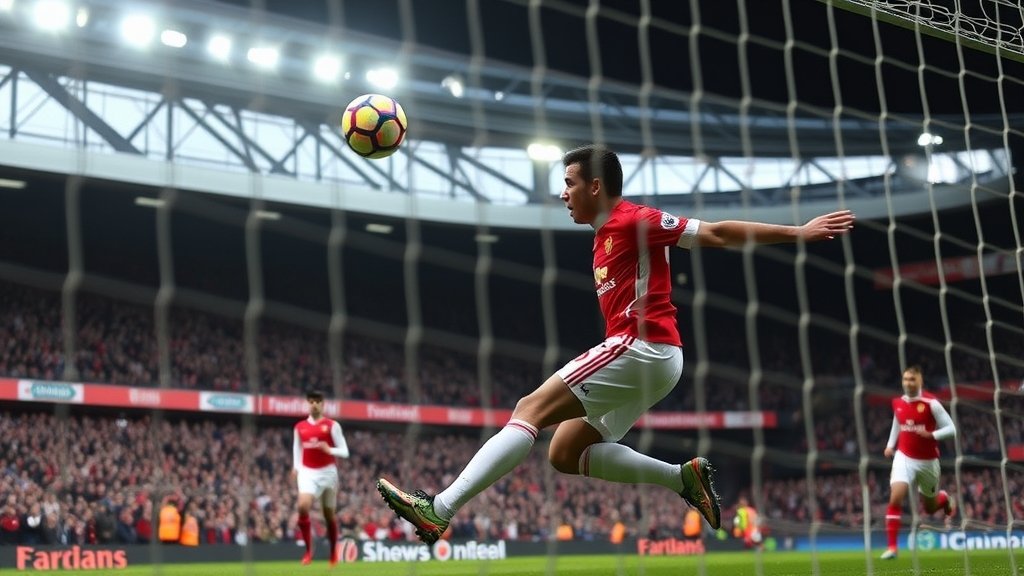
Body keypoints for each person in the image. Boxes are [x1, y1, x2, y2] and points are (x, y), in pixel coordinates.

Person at [376, 144, 856, 545]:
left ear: (596, 186)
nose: (563, 193)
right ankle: (681, 478)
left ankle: (439, 508)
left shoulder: (633, 220)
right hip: (654, 358)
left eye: (569, 182)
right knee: (564, 452)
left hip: (642, 344)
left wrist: (798, 231)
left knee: (529, 408)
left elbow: (713, 233)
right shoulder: (602, 236)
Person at [880, 365, 956, 560]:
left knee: (930, 507)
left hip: (928, 462)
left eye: (912, 379)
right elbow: (897, 422)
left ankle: (944, 498)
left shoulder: (931, 403)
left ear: (920, 381)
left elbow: (951, 429)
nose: (907, 383)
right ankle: (892, 548)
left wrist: (932, 434)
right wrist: (890, 445)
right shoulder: (897, 402)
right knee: (896, 496)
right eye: (905, 379)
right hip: (904, 456)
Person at [292, 389, 350, 566]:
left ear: (322, 404)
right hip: (307, 473)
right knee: (302, 506)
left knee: (328, 516)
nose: (314, 404)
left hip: (328, 473)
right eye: (311, 401)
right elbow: (297, 448)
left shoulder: (332, 425)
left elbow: (345, 451)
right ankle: (309, 551)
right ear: (308, 403)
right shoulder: (300, 427)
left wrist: (329, 450)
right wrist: (296, 467)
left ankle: (333, 551)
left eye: (318, 401)